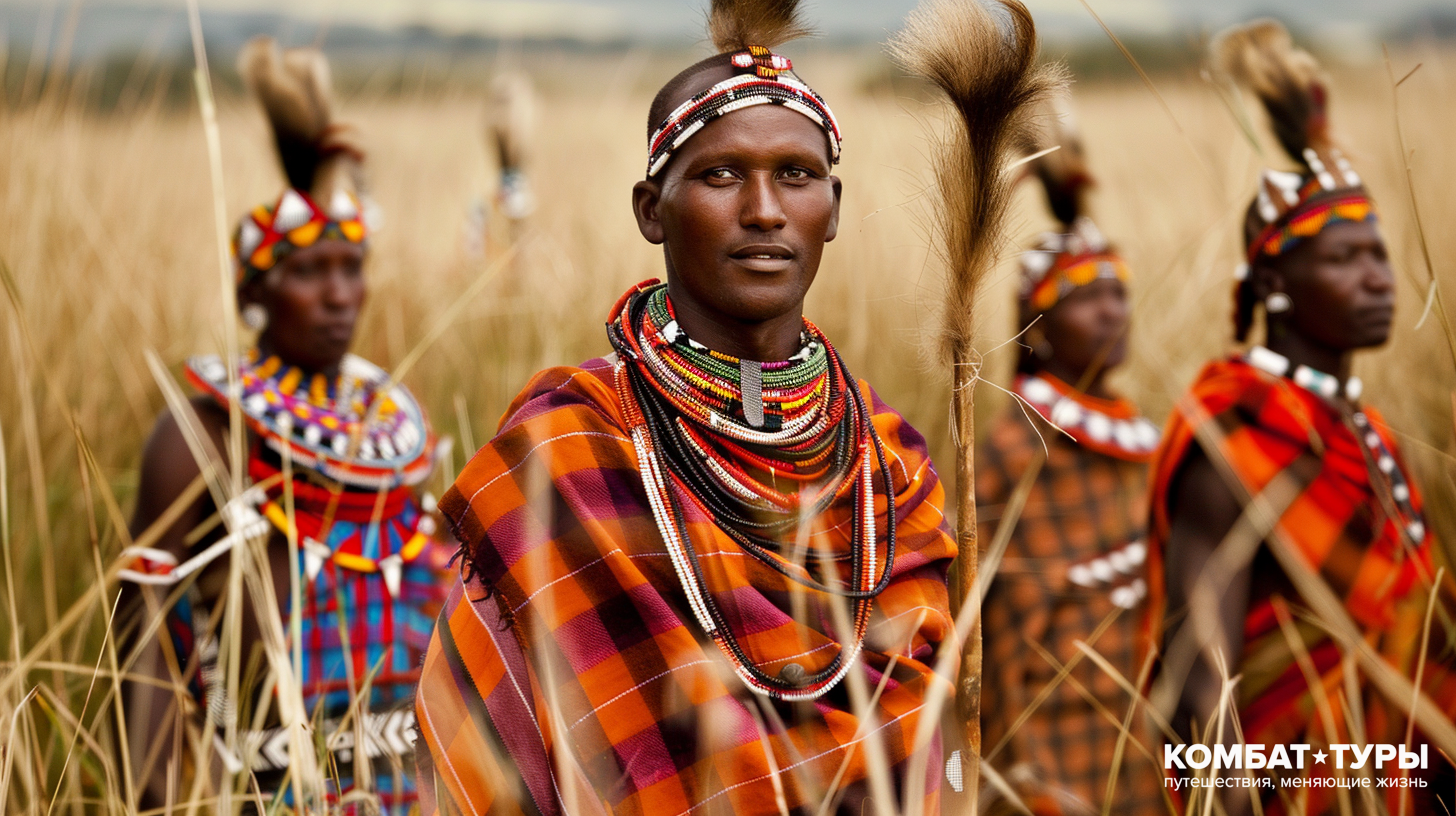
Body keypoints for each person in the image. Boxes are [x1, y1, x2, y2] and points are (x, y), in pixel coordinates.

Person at [411, 2, 958, 814]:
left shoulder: (889, 461)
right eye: (721, 174)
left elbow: (925, 744)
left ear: (833, 209)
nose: (765, 210)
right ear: (649, 209)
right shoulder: (569, 448)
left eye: (797, 176)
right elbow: (492, 741)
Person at [120, 37, 450, 814]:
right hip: (265, 784)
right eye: (308, 271)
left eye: (351, 267)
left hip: (409, 775)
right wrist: (156, 791)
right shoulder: (205, 431)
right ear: (254, 297)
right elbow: (143, 633)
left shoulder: (393, 425)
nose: (338, 294)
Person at [1146, 21, 1456, 815]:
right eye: (1345, 258)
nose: (1380, 279)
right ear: (1276, 283)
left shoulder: (1370, 427)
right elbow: (1198, 679)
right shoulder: (1232, 431)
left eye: (1380, 254)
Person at [976, 99, 1164, 816]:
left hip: (1136, 713)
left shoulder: (1138, 430)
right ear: (1039, 329)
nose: (1113, 312)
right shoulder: (1015, 444)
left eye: (1119, 294)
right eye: (1087, 299)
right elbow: (990, 616)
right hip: (1042, 730)